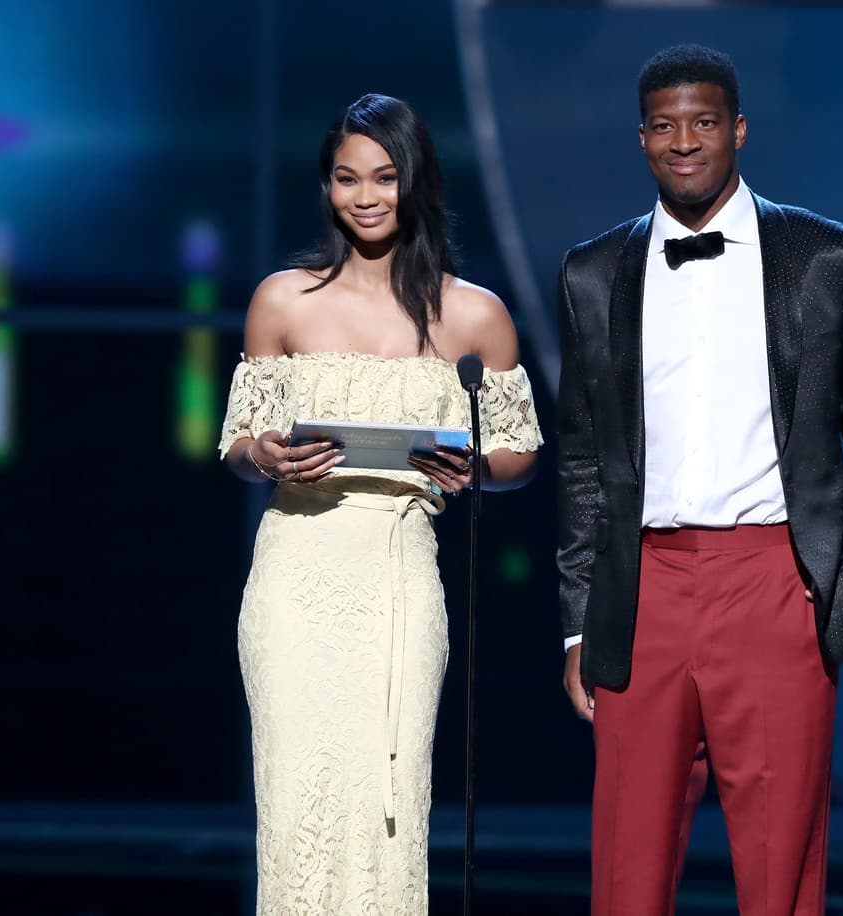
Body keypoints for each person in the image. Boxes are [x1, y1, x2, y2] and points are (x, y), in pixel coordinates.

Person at [556, 45, 843, 915]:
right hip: (644, 589)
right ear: (642, 139)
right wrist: (576, 622)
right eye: (667, 126)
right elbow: (582, 456)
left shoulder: (827, 257)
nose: (687, 142)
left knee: (780, 858)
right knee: (628, 867)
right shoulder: (594, 274)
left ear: (739, 129)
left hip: (776, 580)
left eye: (705, 122)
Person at [218, 93, 541, 914]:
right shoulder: (282, 301)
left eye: (385, 177)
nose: (365, 196)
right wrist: (265, 453)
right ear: (326, 187)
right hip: (296, 577)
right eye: (346, 178)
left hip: (399, 576)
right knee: (296, 799)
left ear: (416, 181)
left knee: (391, 795)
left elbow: (521, 454)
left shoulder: (477, 315)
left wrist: (476, 469)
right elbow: (238, 444)